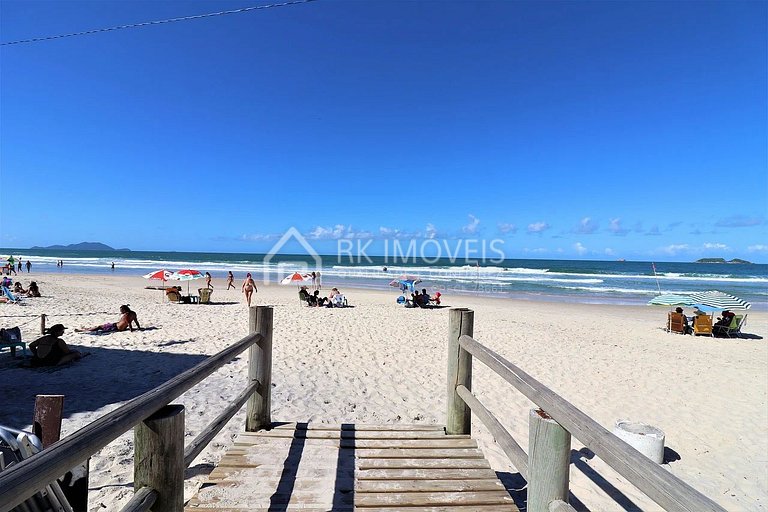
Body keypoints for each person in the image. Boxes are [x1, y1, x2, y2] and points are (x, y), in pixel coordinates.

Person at [76, 305, 140, 333]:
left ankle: (83, 330)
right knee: (100, 326)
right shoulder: (133, 313)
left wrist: (131, 331)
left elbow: (129, 323)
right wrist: (139, 328)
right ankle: (86, 329)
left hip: (115, 327)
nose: (121, 312)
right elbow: (136, 321)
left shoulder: (127, 315)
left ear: (125, 310)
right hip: (116, 325)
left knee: (99, 327)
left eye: (121, 310)